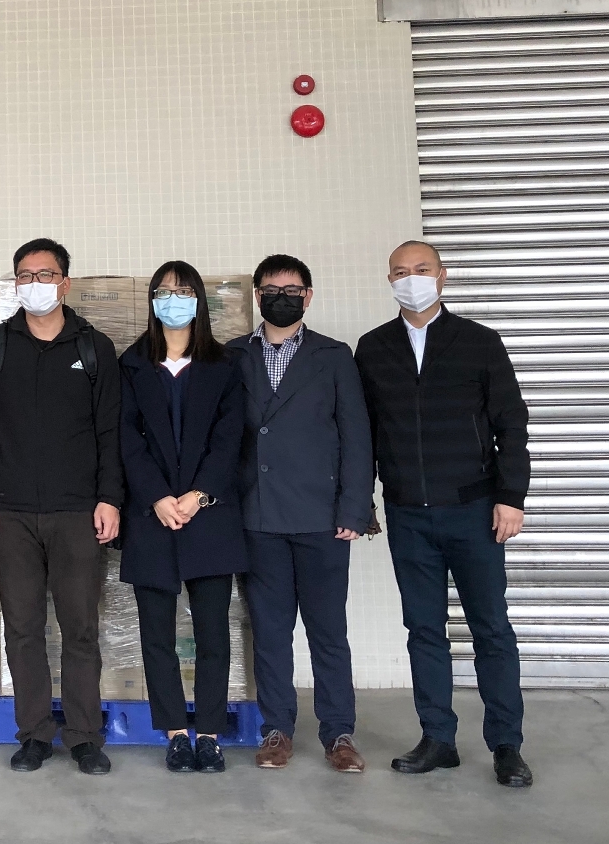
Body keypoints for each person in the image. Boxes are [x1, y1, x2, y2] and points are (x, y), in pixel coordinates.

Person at [355, 240, 532, 788]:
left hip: (474, 510)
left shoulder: (479, 342)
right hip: (408, 513)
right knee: (424, 630)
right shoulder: (373, 348)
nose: (411, 279)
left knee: (491, 628)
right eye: (400, 272)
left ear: (442, 276)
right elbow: (364, 433)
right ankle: (438, 738)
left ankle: (506, 745)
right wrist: (362, 498)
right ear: (389, 280)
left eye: (421, 269)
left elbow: (511, 424)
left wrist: (511, 496)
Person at [0, 238, 123, 776]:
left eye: (45, 274)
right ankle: (33, 733)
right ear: (16, 284)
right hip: (10, 512)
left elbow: (110, 430)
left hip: (77, 511)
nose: (35, 284)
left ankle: (84, 736)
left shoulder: (94, 348)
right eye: (25, 276)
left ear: (65, 283)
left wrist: (109, 498)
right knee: (23, 627)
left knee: (80, 629)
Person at [226, 254, 372, 773]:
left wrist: (355, 507)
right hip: (257, 515)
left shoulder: (334, 356)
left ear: (308, 296)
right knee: (270, 631)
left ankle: (339, 733)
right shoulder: (233, 355)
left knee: (328, 631)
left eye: (292, 290)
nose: (281, 298)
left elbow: (356, 437)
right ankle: (277, 729)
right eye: (271, 290)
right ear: (257, 296)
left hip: (321, 516)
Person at [119, 261, 247, 774]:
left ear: (199, 301)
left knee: (213, 634)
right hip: (151, 516)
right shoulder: (132, 364)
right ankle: (174, 733)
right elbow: (126, 438)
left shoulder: (223, 364)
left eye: (184, 290)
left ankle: (209, 733)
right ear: (152, 300)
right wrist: (156, 496)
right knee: (157, 636)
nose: (174, 299)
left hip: (209, 515)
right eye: (165, 291)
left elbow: (230, 437)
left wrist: (198, 494)